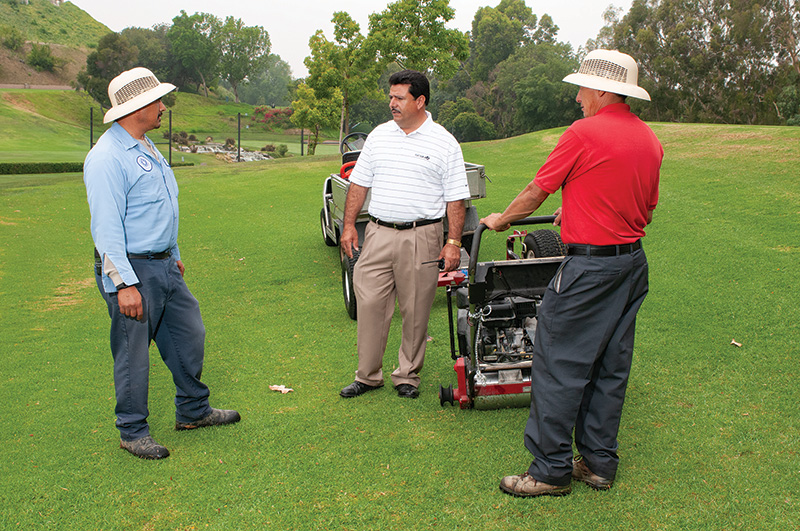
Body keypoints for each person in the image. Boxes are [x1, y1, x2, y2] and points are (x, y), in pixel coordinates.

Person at [481, 50, 664, 497]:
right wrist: (582, 206)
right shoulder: (649, 139)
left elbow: (535, 191)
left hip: (589, 270)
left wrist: (502, 219)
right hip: (631, 266)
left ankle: (549, 470)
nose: (578, 97)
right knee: (610, 364)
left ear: (603, 90)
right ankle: (599, 464)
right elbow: (643, 206)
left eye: (582, 88)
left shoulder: (584, 133)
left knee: (558, 364)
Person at [84, 67, 240, 460]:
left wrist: (174, 255)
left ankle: (193, 410)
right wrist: (124, 285)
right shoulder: (106, 157)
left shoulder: (145, 145)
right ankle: (132, 431)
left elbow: (157, 209)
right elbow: (106, 230)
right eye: (157, 101)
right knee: (132, 354)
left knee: (190, 336)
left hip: (165, 265)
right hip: (132, 271)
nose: (163, 107)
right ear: (137, 107)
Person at [339, 69, 471, 400]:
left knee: (416, 309)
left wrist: (452, 242)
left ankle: (407, 375)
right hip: (378, 233)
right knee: (368, 302)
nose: (392, 104)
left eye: (400, 98)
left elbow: (456, 199)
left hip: (421, 236)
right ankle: (367, 376)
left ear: (420, 100)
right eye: (391, 97)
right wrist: (348, 224)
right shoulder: (379, 136)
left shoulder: (444, 142)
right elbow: (359, 183)